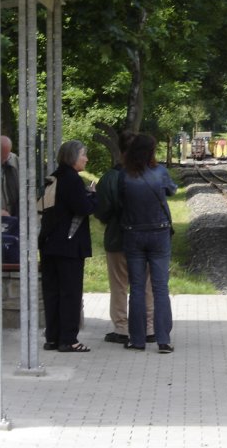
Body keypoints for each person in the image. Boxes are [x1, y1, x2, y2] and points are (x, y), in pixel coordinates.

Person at [94, 131, 155, 345]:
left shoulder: (110, 178)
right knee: (146, 284)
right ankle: (148, 327)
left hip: (117, 238)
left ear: (120, 151)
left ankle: (121, 328)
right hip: (147, 238)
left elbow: (102, 212)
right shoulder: (151, 175)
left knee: (119, 285)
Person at [120, 134, 178, 353]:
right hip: (159, 234)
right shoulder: (160, 172)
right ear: (152, 152)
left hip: (133, 234)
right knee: (160, 288)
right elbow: (172, 190)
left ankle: (137, 340)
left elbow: (119, 200)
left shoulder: (124, 175)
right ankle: (163, 340)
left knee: (136, 288)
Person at [40, 140, 97, 352]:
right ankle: (69, 340)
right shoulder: (72, 180)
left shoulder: (52, 178)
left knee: (52, 292)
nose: (86, 158)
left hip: (49, 243)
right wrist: (93, 195)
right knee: (70, 292)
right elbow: (83, 208)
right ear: (73, 157)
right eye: (83, 154)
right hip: (69, 245)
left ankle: (52, 337)